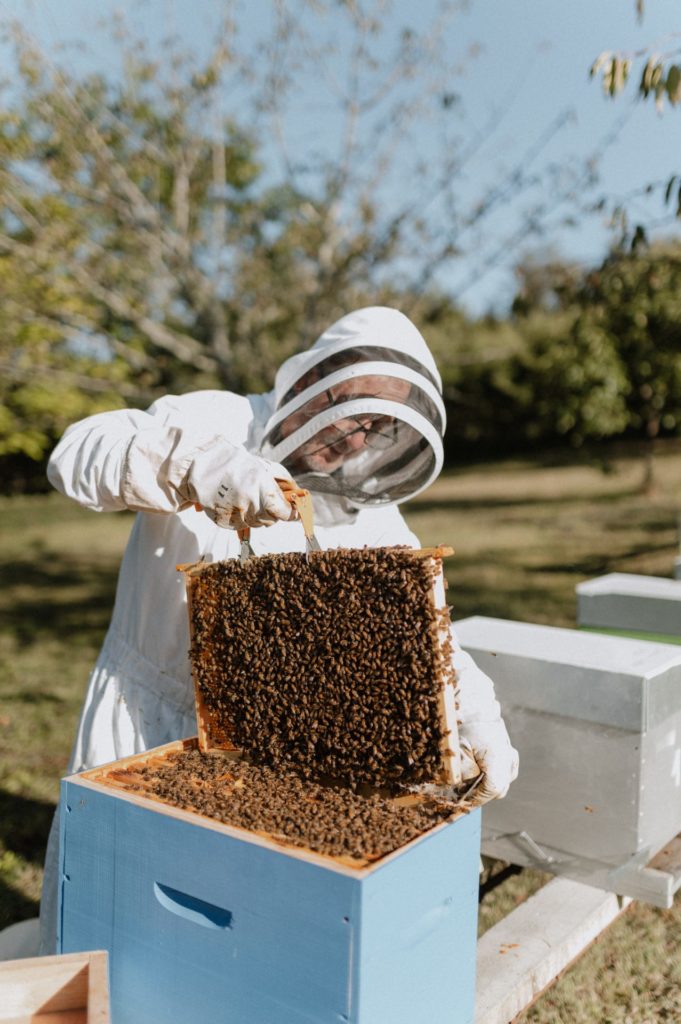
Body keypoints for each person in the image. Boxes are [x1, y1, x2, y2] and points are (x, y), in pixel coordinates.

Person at [38, 305, 518, 953]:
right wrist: (198, 468)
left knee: (224, 939)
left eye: (376, 429)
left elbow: (416, 621)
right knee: (109, 919)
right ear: (314, 378)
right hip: (143, 722)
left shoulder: (358, 497)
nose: (354, 442)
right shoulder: (221, 419)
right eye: (352, 412)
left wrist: (477, 716)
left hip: (264, 746)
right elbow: (78, 455)